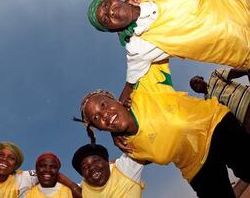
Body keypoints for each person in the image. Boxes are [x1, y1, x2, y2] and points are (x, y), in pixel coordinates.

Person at [79, 61, 250, 197]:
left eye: (103, 104)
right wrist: (117, 133)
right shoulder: (129, 147)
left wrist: (129, 86)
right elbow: (160, 145)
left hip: (216, 125)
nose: (104, 115)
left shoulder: (145, 87)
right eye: (96, 119)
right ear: (99, 129)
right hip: (195, 167)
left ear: (115, 99)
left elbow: (147, 46)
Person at [86, 0, 250, 103]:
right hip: (245, 47)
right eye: (106, 20)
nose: (110, 13)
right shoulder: (139, 46)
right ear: (112, 29)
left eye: (106, 6)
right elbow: (131, 82)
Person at [190, 68, 250, 133]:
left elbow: (231, 73)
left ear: (201, 78)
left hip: (247, 97)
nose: (195, 85)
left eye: (195, 81)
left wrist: (246, 71)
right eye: (194, 87)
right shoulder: (207, 104)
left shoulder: (214, 76)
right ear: (196, 92)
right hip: (244, 119)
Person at [71, 144, 144, 197]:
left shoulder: (124, 169)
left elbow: (140, 143)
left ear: (107, 162)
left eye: (96, 161)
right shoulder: (83, 189)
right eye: (85, 166)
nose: (91, 167)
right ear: (82, 175)